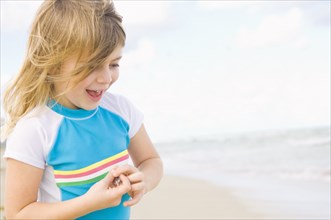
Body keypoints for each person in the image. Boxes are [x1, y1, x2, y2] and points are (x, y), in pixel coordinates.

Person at [2, 0, 163, 219]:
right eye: (92, 65)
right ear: (53, 61)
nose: (106, 78)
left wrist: (143, 180)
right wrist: (89, 203)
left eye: (114, 64)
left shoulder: (121, 110)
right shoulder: (35, 129)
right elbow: (17, 214)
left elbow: (151, 161)